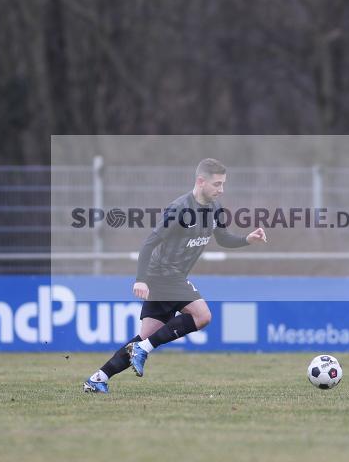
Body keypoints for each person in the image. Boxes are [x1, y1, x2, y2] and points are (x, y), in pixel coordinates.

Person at [84, 158, 267, 393]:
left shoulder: (214, 208)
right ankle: (143, 350)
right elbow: (149, 244)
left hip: (170, 277)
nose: (221, 190)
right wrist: (140, 279)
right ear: (201, 182)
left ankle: (98, 378)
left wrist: (247, 240)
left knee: (145, 337)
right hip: (163, 275)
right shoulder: (179, 209)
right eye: (217, 184)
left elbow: (223, 238)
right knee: (203, 316)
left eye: (223, 184)